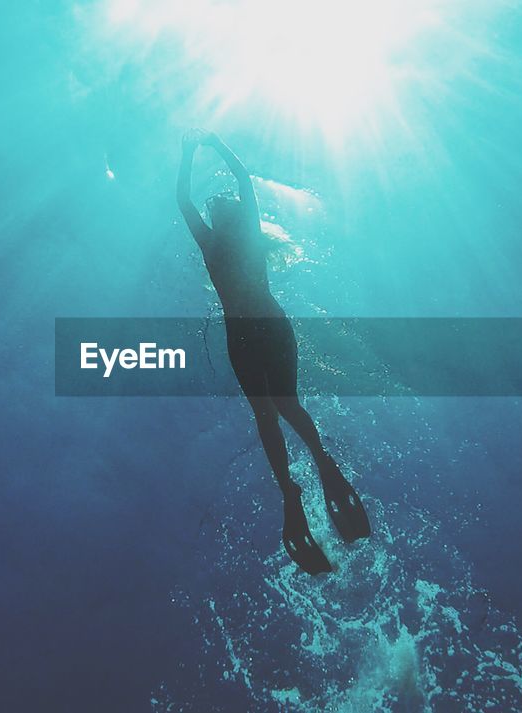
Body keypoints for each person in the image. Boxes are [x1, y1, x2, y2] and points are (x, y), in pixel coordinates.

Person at [176, 129, 371, 575]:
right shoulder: (235, 235)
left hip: (251, 334)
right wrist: (208, 147)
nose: (218, 208)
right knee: (278, 409)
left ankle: (304, 480)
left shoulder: (230, 236)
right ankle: (305, 478)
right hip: (264, 329)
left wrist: (195, 151)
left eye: (218, 207)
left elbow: (200, 195)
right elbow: (213, 190)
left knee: (274, 410)